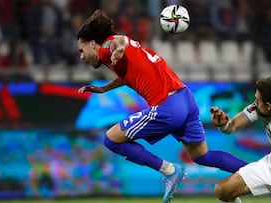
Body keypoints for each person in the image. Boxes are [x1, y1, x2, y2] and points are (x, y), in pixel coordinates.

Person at [76, 9, 247, 203]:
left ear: (92, 44)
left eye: (81, 50)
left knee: (111, 140)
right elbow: (128, 74)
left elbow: (118, 41)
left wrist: (119, 49)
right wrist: (105, 88)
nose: (81, 56)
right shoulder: (118, 57)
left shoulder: (107, 47)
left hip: (168, 106)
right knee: (203, 156)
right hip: (185, 98)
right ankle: (261, 175)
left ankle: (170, 171)